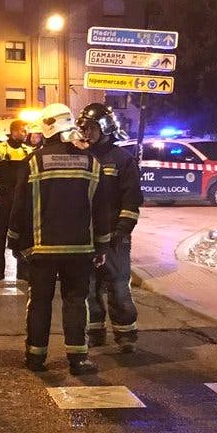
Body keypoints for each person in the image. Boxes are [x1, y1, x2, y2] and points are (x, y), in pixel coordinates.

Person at [8, 103, 113, 375]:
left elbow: (19, 206)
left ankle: (35, 357)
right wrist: (102, 245)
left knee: (40, 301)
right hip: (80, 249)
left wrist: (15, 242)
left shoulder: (33, 161)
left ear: (45, 129)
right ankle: (78, 359)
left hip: (42, 249)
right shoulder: (91, 161)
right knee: (76, 301)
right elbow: (102, 208)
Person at [77, 103, 144, 351]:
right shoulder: (81, 157)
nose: (87, 133)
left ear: (105, 128)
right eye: (84, 128)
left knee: (117, 284)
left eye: (92, 128)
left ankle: (126, 334)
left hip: (115, 236)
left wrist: (123, 228)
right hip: (86, 235)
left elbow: (131, 198)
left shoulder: (122, 161)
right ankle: (95, 331)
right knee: (90, 287)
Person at [0, 121, 31, 282]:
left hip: (22, 199)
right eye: (23, 131)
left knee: (23, 236)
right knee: (0, 237)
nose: (25, 134)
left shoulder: (28, 151)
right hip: (4, 199)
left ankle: (22, 271)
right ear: (14, 132)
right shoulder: (0, 150)